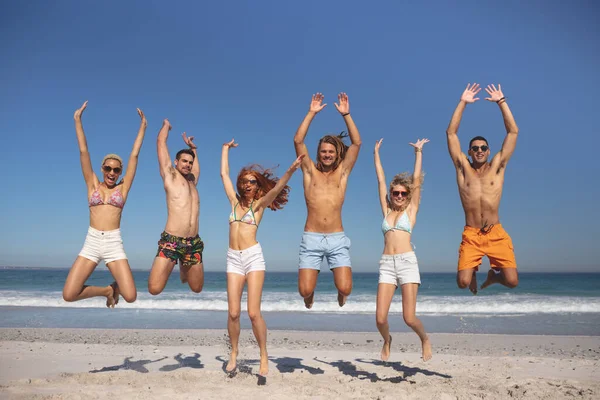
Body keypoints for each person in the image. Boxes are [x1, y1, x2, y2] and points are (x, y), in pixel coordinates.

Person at [220, 139, 303, 377]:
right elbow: (223, 174)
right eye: (244, 181)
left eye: (252, 182)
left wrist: (290, 170)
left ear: (257, 187)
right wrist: (225, 150)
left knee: (253, 313)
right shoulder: (234, 202)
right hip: (233, 258)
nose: (247, 185)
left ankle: (263, 354)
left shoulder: (259, 206)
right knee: (233, 313)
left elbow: (276, 190)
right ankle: (234, 352)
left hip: (253, 258)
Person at [63, 101, 147, 307]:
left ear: (120, 172)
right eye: (108, 168)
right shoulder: (92, 184)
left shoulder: (122, 189)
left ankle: (116, 290)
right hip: (92, 241)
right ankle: (108, 290)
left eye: (116, 170)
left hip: (113, 243)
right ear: (102, 168)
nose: (111, 173)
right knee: (69, 294)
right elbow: (84, 151)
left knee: (130, 296)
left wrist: (143, 126)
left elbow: (134, 156)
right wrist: (77, 120)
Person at [446, 83, 519, 295]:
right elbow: (451, 133)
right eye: (475, 148)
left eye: (483, 148)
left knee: (513, 281)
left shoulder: (497, 167)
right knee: (462, 282)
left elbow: (513, 132)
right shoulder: (462, 168)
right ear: (469, 151)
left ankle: (493, 276)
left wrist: (501, 102)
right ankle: (474, 272)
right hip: (471, 234)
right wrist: (463, 103)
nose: (479, 150)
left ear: (489, 151)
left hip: (495, 232)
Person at [294, 92, 362, 309]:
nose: (327, 155)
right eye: (323, 151)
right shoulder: (309, 172)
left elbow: (357, 143)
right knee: (304, 290)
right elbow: (298, 140)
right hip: (312, 237)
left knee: (345, 288)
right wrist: (311, 113)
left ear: (336, 154)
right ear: (318, 153)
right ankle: (309, 295)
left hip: (336, 238)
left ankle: (341, 294)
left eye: (331, 151)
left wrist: (347, 114)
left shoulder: (342, 173)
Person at [373, 137, 432, 362]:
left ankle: (424, 339)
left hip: (407, 262)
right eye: (395, 193)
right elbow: (380, 180)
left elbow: (416, 181)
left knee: (409, 318)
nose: (399, 196)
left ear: (407, 196)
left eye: (403, 194)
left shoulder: (411, 211)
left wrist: (418, 153)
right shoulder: (386, 210)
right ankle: (387, 340)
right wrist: (376, 155)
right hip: (387, 265)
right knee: (380, 319)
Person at [148, 119, 204, 295]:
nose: (187, 164)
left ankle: (183, 268)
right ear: (175, 162)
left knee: (196, 288)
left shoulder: (192, 182)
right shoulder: (170, 176)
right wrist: (166, 126)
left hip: (193, 243)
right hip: (172, 241)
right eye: (184, 161)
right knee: (154, 289)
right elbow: (160, 143)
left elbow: (196, 167)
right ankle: (180, 263)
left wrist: (193, 148)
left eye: (190, 162)